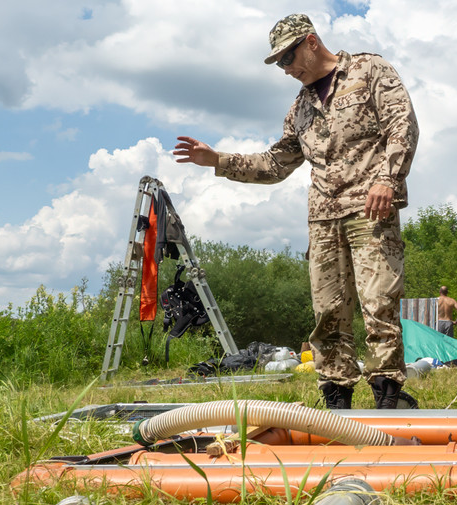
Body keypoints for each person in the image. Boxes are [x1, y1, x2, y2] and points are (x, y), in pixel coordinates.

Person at [172, 13, 419, 411]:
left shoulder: (369, 70)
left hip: (370, 210)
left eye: (288, 58)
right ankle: (336, 400)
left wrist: (387, 179)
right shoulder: (300, 109)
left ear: (310, 42)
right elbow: (275, 164)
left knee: (379, 305)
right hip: (323, 220)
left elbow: (401, 125)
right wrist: (217, 159)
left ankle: (388, 396)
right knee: (328, 313)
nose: (286, 70)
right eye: (279, 64)